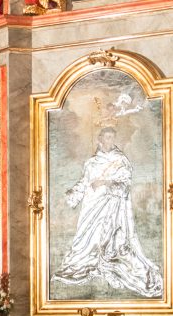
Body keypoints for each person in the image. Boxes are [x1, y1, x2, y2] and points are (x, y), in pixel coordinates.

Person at [52, 127, 163, 298]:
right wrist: (72, 195)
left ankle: (109, 264)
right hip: (91, 205)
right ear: (100, 138)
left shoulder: (120, 160)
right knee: (86, 238)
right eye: (107, 137)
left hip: (111, 206)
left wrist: (105, 182)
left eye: (113, 137)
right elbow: (84, 182)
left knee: (109, 238)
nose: (110, 140)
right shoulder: (91, 162)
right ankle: (89, 263)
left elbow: (125, 183)